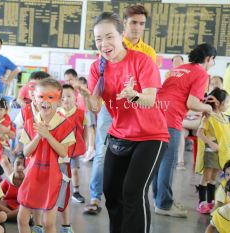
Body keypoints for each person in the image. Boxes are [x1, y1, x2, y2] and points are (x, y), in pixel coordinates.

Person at [79, 12, 169, 233]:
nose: (104, 43)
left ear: (121, 36)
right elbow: (96, 107)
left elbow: (150, 99)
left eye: (109, 36)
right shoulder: (97, 68)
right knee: (111, 192)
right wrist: (87, 97)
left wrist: (133, 96)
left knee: (132, 192)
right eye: (98, 39)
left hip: (151, 137)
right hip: (119, 134)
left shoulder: (142, 61)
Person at [153, 43, 216, 218]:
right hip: (170, 117)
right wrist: (208, 109)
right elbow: (191, 103)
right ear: (208, 58)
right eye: (213, 61)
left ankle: (159, 198)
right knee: (168, 161)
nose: (212, 64)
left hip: (155, 114)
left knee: (158, 160)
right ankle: (164, 204)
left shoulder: (179, 68)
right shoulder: (202, 73)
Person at [17, 79, 76, 233]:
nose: (45, 101)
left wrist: (47, 135)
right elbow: (26, 152)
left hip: (53, 177)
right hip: (32, 175)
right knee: (22, 218)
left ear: (59, 100)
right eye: (41, 96)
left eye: (51, 97)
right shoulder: (30, 123)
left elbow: (64, 152)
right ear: (35, 99)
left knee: (48, 222)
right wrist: (38, 136)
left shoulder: (66, 124)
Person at [195, 88, 230, 214]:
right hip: (210, 153)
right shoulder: (208, 117)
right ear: (218, 103)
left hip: (220, 154)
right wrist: (211, 143)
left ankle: (210, 202)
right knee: (206, 177)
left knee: (214, 178)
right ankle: (201, 202)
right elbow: (199, 132)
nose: (227, 105)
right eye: (226, 102)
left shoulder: (224, 118)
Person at [59, 84, 87, 203]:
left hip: (75, 149)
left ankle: (76, 192)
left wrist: (84, 144)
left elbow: (85, 130)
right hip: (60, 149)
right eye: (63, 97)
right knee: (60, 172)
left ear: (75, 97)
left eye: (69, 96)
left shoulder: (80, 113)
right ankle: (59, 192)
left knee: (74, 170)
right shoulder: (56, 113)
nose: (65, 99)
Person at [0, 152, 25, 221]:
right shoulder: (8, 180)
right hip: (6, 206)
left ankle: (5, 217)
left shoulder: (28, 182)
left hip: (20, 207)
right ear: (13, 165)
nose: (21, 167)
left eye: (24, 165)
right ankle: (14, 216)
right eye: (18, 164)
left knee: (26, 209)